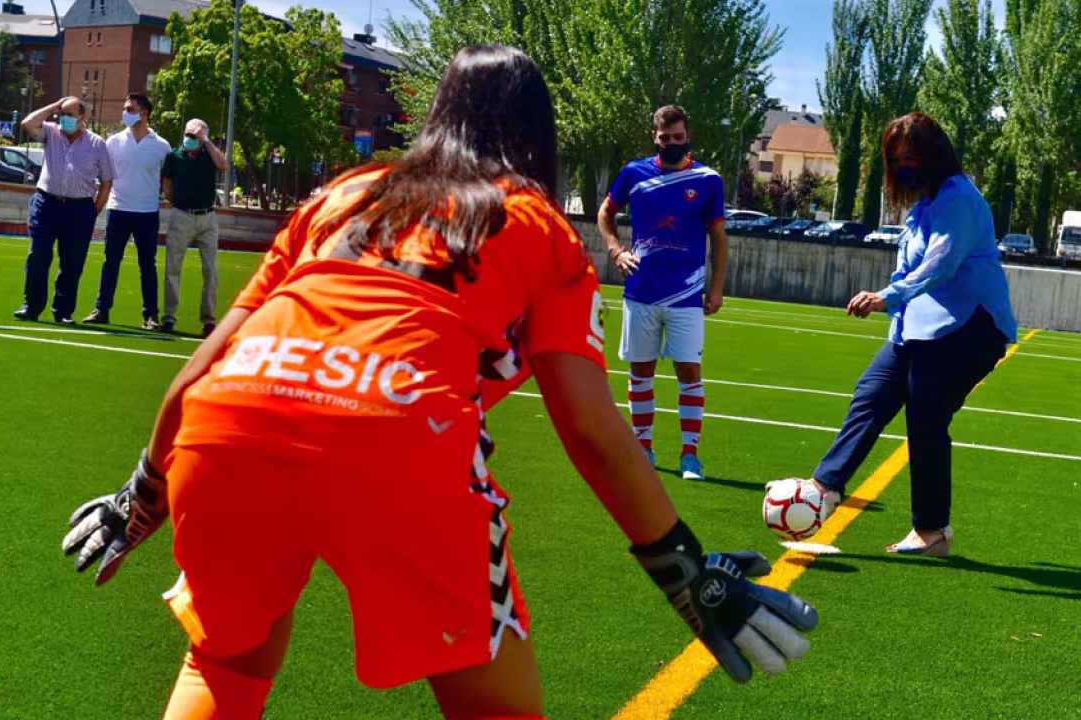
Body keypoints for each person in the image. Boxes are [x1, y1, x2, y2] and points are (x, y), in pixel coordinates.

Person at [59, 45, 819, 719]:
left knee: (223, 663)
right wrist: (684, 573)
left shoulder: (343, 194)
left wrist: (144, 490)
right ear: (535, 131)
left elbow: (205, 365)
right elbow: (589, 426)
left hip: (229, 424)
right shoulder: (537, 224)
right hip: (397, 439)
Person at [795, 112, 1018, 557]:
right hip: (919, 329)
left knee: (925, 414)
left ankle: (932, 532)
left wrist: (886, 297)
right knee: (872, 393)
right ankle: (824, 489)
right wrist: (895, 325)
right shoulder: (922, 208)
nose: (903, 168)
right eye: (896, 160)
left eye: (911, 158)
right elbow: (909, 267)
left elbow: (941, 264)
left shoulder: (958, 199)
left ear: (934, 156)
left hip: (973, 326)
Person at [597, 105, 728, 481]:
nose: (671, 142)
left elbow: (719, 238)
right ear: (655, 137)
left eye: (678, 137)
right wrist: (616, 251)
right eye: (665, 137)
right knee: (641, 372)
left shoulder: (708, 179)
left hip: (687, 296)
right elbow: (606, 212)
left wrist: (716, 288)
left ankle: (690, 457)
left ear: (688, 136)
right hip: (641, 293)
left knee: (690, 372)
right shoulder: (633, 173)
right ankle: (643, 449)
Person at [13, 96, 114, 324]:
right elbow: (28, 123)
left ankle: (63, 312)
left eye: (70, 114)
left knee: (72, 262)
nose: (64, 119)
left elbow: (107, 181)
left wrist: (94, 211)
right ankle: (32, 306)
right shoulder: (51, 132)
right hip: (46, 204)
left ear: (82, 117)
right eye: (62, 114)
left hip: (79, 209)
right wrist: (54, 105)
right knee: (38, 255)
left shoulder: (97, 144)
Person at [83, 93, 172, 329]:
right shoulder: (113, 142)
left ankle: (150, 316)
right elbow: (104, 175)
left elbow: (167, 180)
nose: (125, 113)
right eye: (125, 108)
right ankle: (101, 309)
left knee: (147, 265)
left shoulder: (162, 146)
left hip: (147, 213)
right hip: (117, 210)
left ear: (144, 113)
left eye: (130, 109)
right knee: (110, 262)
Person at [161, 118, 228, 338]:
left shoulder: (209, 154)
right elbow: (167, 183)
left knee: (211, 272)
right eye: (188, 134)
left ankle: (208, 321)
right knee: (173, 269)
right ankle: (169, 317)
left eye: (194, 136)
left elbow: (223, 165)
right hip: (182, 216)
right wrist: (175, 201)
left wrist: (206, 141)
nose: (189, 139)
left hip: (207, 218)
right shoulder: (174, 155)